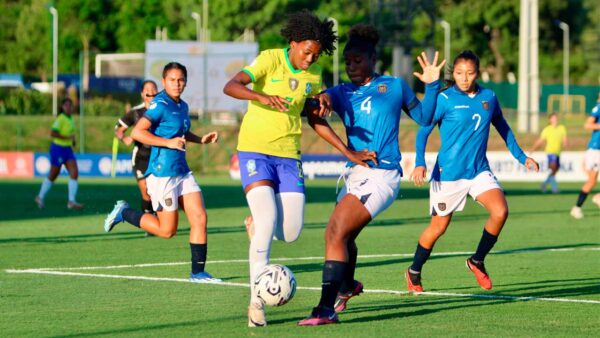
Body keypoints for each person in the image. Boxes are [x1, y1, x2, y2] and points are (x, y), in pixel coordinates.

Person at [297, 24, 446, 326]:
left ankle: (326, 308)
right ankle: (348, 286)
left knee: (335, 231)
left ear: (373, 60)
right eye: (347, 61)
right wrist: (321, 100)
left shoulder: (393, 86)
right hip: (355, 174)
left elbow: (425, 117)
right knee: (345, 237)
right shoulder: (341, 92)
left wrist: (431, 85)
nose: (351, 66)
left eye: (357, 61)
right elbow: (316, 106)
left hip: (383, 175)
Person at [222, 10, 337, 327]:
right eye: (307, 52)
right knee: (268, 218)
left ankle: (256, 227)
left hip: (289, 157)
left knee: (290, 232)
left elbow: (314, 106)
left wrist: (322, 100)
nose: (311, 59)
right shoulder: (269, 59)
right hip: (254, 151)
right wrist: (261, 96)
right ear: (294, 42)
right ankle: (256, 302)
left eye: (316, 55)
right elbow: (231, 86)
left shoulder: (313, 77)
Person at [405, 50, 539, 293]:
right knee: (438, 228)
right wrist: (420, 162)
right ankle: (414, 270)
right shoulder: (444, 99)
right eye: (459, 73)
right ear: (453, 74)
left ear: (478, 73)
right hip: (448, 175)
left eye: (469, 73)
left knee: (500, 211)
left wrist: (523, 157)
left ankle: (477, 260)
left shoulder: (489, 97)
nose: (464, 78)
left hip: (479, 171)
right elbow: (424, 130)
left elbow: (504, 129)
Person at [103, 62, 222, 283]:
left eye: (181, 80)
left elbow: (182, 131)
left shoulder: (182, 106)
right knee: (167, 230)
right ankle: (124, 213)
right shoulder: (159, 104)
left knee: (200, 217)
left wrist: (200, 139)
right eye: (172, 80)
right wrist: (167, 143)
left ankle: (198, 273)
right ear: (164, 81)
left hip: (182, 171)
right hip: (162, 173)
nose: (177, 84)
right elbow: (138, 132)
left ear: (185, 82)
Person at [114, 80, 159, 235]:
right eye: (147, 89)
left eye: (153, 88)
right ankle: (149, 224)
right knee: (146, 191)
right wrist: (124, 138)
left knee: (157, 192)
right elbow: (119, 129)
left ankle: (155, 220)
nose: (151, 91)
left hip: (159, 156)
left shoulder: (162, 109)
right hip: (141, 157)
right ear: (142, 94)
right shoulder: (135, 112)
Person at [35, 98, 84, 210]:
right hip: (58, 148)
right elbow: (53, 133)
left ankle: (71, 201)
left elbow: (71, 133)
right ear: (62, 107)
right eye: (66, 105)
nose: (68, 107)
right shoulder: (61, 118)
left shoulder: (70, 118)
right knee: (53, 175)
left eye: (70, 105)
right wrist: (67, 137)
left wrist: (73, 140)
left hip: (67, 149)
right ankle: (40, 196)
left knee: (74, 173)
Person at [570, 94, 600, 219]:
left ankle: (597, 197)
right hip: (595, 149)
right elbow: (587, 124)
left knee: (592, 180)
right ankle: (577, 208)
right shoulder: (598, 107)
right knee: (592, 180)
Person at [530, 113, 567, 193]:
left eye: (556, 118)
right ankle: (555, 188)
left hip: (558, 152)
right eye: (553, 118)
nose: (555, 120)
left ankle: (544, 184)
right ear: (550, 120)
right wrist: (533, 149)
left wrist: (565, 143)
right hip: (550, 152)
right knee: (553, 168)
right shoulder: (547, 129)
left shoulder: (562, 128)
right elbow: (541, 141)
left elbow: (564, 138)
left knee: (554, 170)